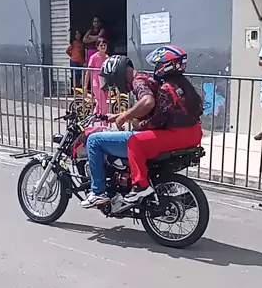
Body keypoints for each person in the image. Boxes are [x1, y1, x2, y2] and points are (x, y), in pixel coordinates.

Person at [81, 47, 203, 209]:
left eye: (158, 65)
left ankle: (100, 192)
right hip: (193, 133)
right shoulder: (182, 85)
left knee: (95, 141)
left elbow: (149, 105)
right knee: (135, 136)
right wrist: (124, 116)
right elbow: (161, 113)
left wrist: (128, 117)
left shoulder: (144, 82)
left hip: (176, 135)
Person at [85, 37, 109, 115]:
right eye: (101, 45)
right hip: (97, 83)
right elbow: (88, 72)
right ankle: (104, 120)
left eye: (104, 45)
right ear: (97, 47)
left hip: (105, 83)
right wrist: (85, 86)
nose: (103, 47)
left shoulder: (107, 57)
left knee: (100, 102)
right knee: (102, 103)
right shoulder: (93, 57)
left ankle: (94, 117)